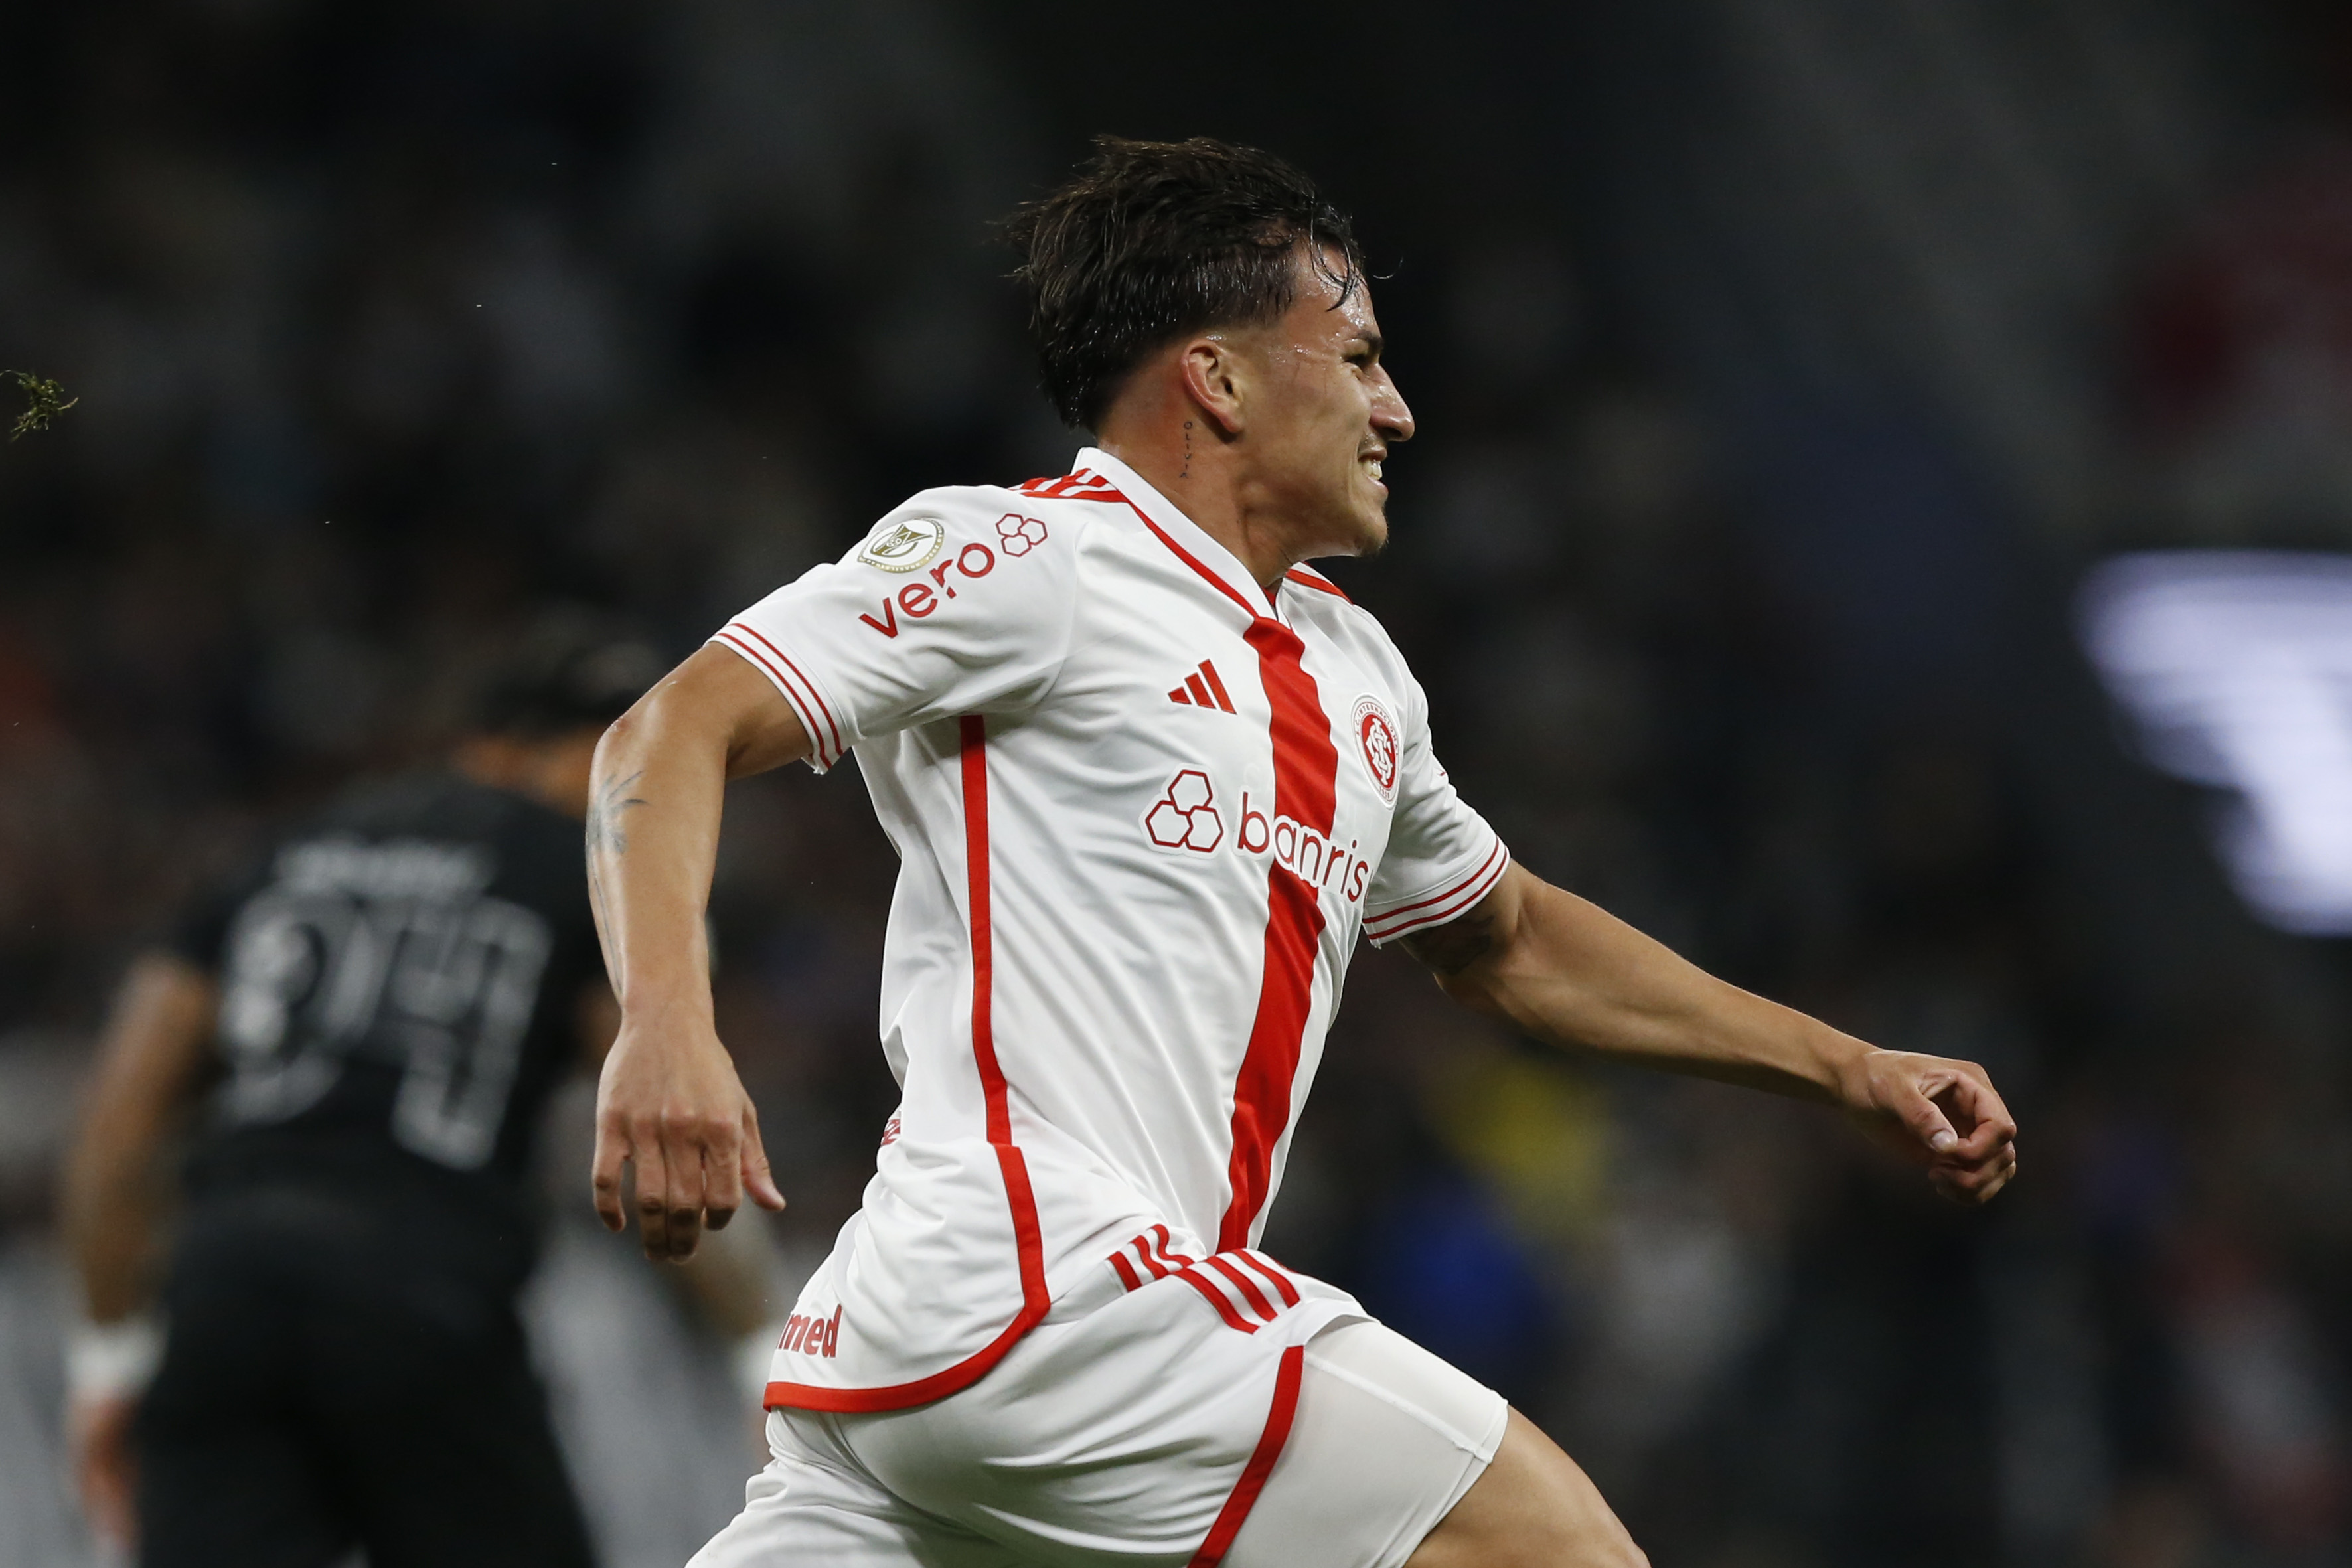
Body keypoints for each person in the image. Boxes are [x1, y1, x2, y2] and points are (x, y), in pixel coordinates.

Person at [587, 137, 2020, 1568]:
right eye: (1355, 359)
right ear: (1214, 378)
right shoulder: (1034, 560)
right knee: (1556, 1548)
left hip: (957, 1381)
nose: (1395, 409)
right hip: (1042, 1295)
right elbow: (668, 731)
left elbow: (1507, 939)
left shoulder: (1354, 673)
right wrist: (665, 1022)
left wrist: (1846, 1067)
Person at [59, 619, 671, 1568]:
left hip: (227, 1284)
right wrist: (761, 1333)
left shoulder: (281, 848)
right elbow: (669, 1110)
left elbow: (120, 1121)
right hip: (422, 1292)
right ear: (499, 748)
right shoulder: (589, 862)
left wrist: (109, 1364)